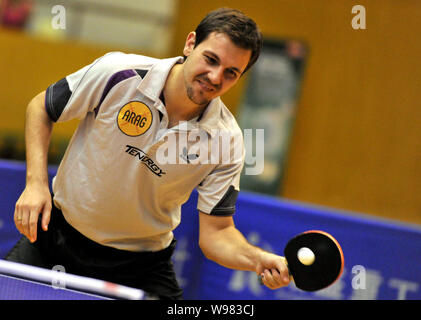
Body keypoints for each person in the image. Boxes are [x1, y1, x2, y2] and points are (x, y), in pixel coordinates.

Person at [7, 7, 290, 299]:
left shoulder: (226, 141)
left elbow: (216, 233)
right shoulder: (119, 74)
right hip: (55, 239)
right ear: (190, 43)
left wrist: (258, 260)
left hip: (138, 268)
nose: (215, 77)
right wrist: (36, 183)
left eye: (231, 73)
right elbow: (42, 108)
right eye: (211, 59)